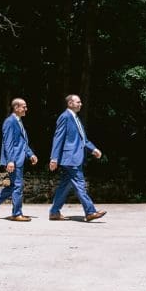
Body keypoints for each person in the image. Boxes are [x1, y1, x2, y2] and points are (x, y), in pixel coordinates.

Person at [48, 94, 107, 222]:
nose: (81, 104)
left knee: (65, 185)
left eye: (80, 102)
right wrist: (54, 158)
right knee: (79, 184)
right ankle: (90, 211)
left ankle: (54, 212)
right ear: (70, 103)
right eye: (78, 102)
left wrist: (93, 149)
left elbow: (82, 139)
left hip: (74, 157)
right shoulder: (65, 117)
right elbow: (58, 138)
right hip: (70, 158)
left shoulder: (76, 118)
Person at [0, 98, 38, 221]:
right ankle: (17, 214)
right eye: (24, 106)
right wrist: (10, 160)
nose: (26, 109)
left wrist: (31, 154)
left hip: (19, 158)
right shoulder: (10, 121)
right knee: (18, 186)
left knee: (14, 185)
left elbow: (22, 142)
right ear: (16, 108)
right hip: (14, 159)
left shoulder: (18, 121)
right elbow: (8, 143)